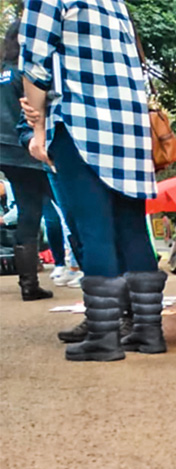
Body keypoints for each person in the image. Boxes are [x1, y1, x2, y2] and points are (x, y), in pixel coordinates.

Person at [21, 0, 165, 361]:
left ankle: (104, 336)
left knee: (93, 228)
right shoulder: (113, 3)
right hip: (129, 128)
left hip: (81, 121)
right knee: (131, 226)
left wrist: (37, 130)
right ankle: (149, 332)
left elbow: (35, 63)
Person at [1, 21, 52, 301]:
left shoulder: (3, 72)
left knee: (28, 213)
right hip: (29, 148)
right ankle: (91, 274)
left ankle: (28, 284)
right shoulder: (26, 73)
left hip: (5, 154)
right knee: (66, 208)